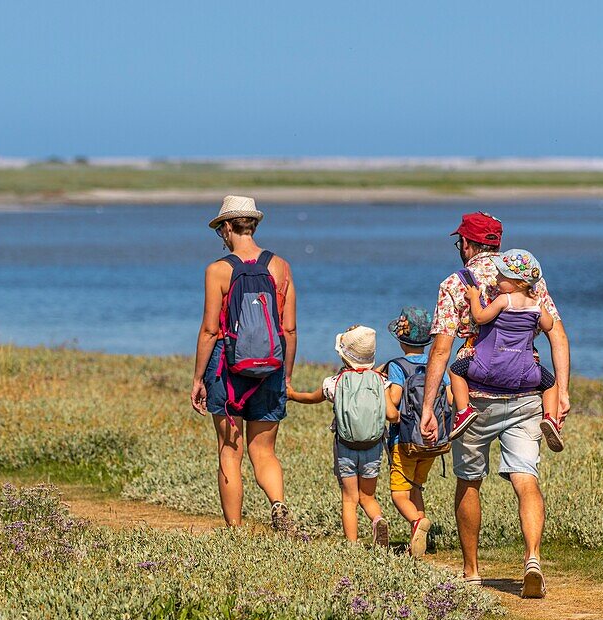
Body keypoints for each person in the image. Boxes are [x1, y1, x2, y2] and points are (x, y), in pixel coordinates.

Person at [420, 212, 571, 599]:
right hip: (525, 395)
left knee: (469, 480)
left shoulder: (456, 283)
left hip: (478, 397)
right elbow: (558, 336)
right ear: (497, 244)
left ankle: (471, 572)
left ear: (467, 245)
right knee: (526, 478)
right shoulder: (529, 283)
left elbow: (441, 349)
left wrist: (427, 407)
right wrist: (562, 390)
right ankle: (532, 558)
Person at [190, 196, 298, 532]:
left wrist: (198, 379)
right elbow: (289, 329)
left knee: (229, 451)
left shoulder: (218, 271)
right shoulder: (280, 266)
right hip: (272, 369)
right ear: (253, 225)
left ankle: (235, 531)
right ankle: (278, 505)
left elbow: (210, 330)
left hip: (227, 370)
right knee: (264, 452)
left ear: (225, 228)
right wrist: (286, 375)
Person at [287, 325, 393, 546]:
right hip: (373, 448)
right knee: (368, 496)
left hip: (345, 447)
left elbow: (312, 398)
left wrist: (293, 395)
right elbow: (391, 414)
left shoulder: (334, 383)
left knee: (349, 498)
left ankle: (352, 546)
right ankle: (378, 519)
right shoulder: (380, 381)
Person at [451, 250, 564, 451]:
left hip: (486, 367)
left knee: (455, 370)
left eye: (501, 276)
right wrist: (540, 306)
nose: (496, 278)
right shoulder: (537, 304)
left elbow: (479, 317)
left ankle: (463, 411)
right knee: (551, 384)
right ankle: (550, 419)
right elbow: (548, 325)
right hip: (525, 372)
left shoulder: (504, 300)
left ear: (517, 282)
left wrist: (475, 297)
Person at [384, 307, 453, 557]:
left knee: (399, 494)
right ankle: (419, 541)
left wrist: (382, 393)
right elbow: (451, 398)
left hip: (404, 441)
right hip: (432, 442)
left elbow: (394, 401)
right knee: (417, 488)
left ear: (402, 341)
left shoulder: (397, 366)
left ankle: (417, 523)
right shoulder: (438, 364)